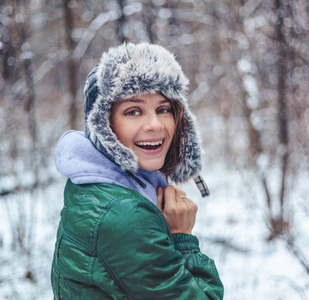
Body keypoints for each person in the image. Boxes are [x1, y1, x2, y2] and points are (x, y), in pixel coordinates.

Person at [51, 43, 224, 299]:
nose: (154, 124)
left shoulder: (94, 182)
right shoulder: (124, 215)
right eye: (133, 111)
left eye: (163, 109)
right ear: (104, 125)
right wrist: (183, 239)